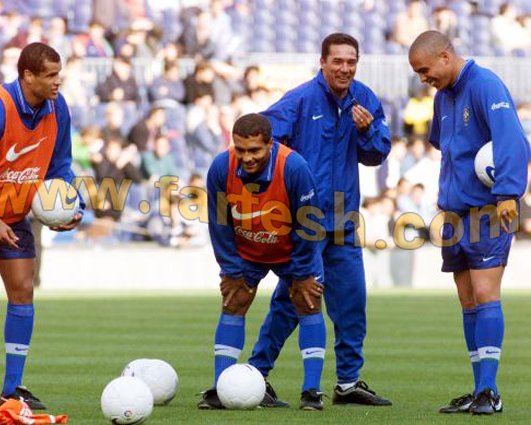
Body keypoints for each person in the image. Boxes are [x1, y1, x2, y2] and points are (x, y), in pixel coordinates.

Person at [248, 33, 392, 407]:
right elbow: (259, 141)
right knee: (291, 301)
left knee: (352, 302)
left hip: (344, 220)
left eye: (351, 61)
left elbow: (378, 154)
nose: (345, 68)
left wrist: (368, 130)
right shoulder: (299, 100)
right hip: (305, 221)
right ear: (323, 62)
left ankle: (348, 383)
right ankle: (255, 376)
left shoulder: (365, 99)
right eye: (337, 61)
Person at [409, 30, 529, 415]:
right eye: (418, 73)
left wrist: (508, 193)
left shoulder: (485, 84)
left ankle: (490, 391)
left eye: (425, 70)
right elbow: (446, 146)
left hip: (486, 212)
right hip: (454, 214)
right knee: (467, 300)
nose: (423, 79)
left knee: (485, 293)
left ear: (445, 56)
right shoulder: (442, 96)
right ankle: (479, 389)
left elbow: (512, 140)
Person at [0, 42, 83, 411]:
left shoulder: (58, 107)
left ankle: (12, 389)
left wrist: (69, 206)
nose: (57, 81)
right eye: (50, 75)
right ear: (27, 76)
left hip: (14, 213)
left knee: (22, 290)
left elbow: (60, 165)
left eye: (59, 73)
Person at [199, 113, 326, 410]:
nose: (247, 158)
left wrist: (303, 273)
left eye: (254, 150)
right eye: (240, 149)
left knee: (308, 302)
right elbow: (219, 223)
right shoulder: (221, 167)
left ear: (270, 144)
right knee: (233, 302)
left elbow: (308, 225)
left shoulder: (294, 167)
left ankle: (311, 392)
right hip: (247, 251)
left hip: (293, 250)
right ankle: (222, 388)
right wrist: (231, 270)